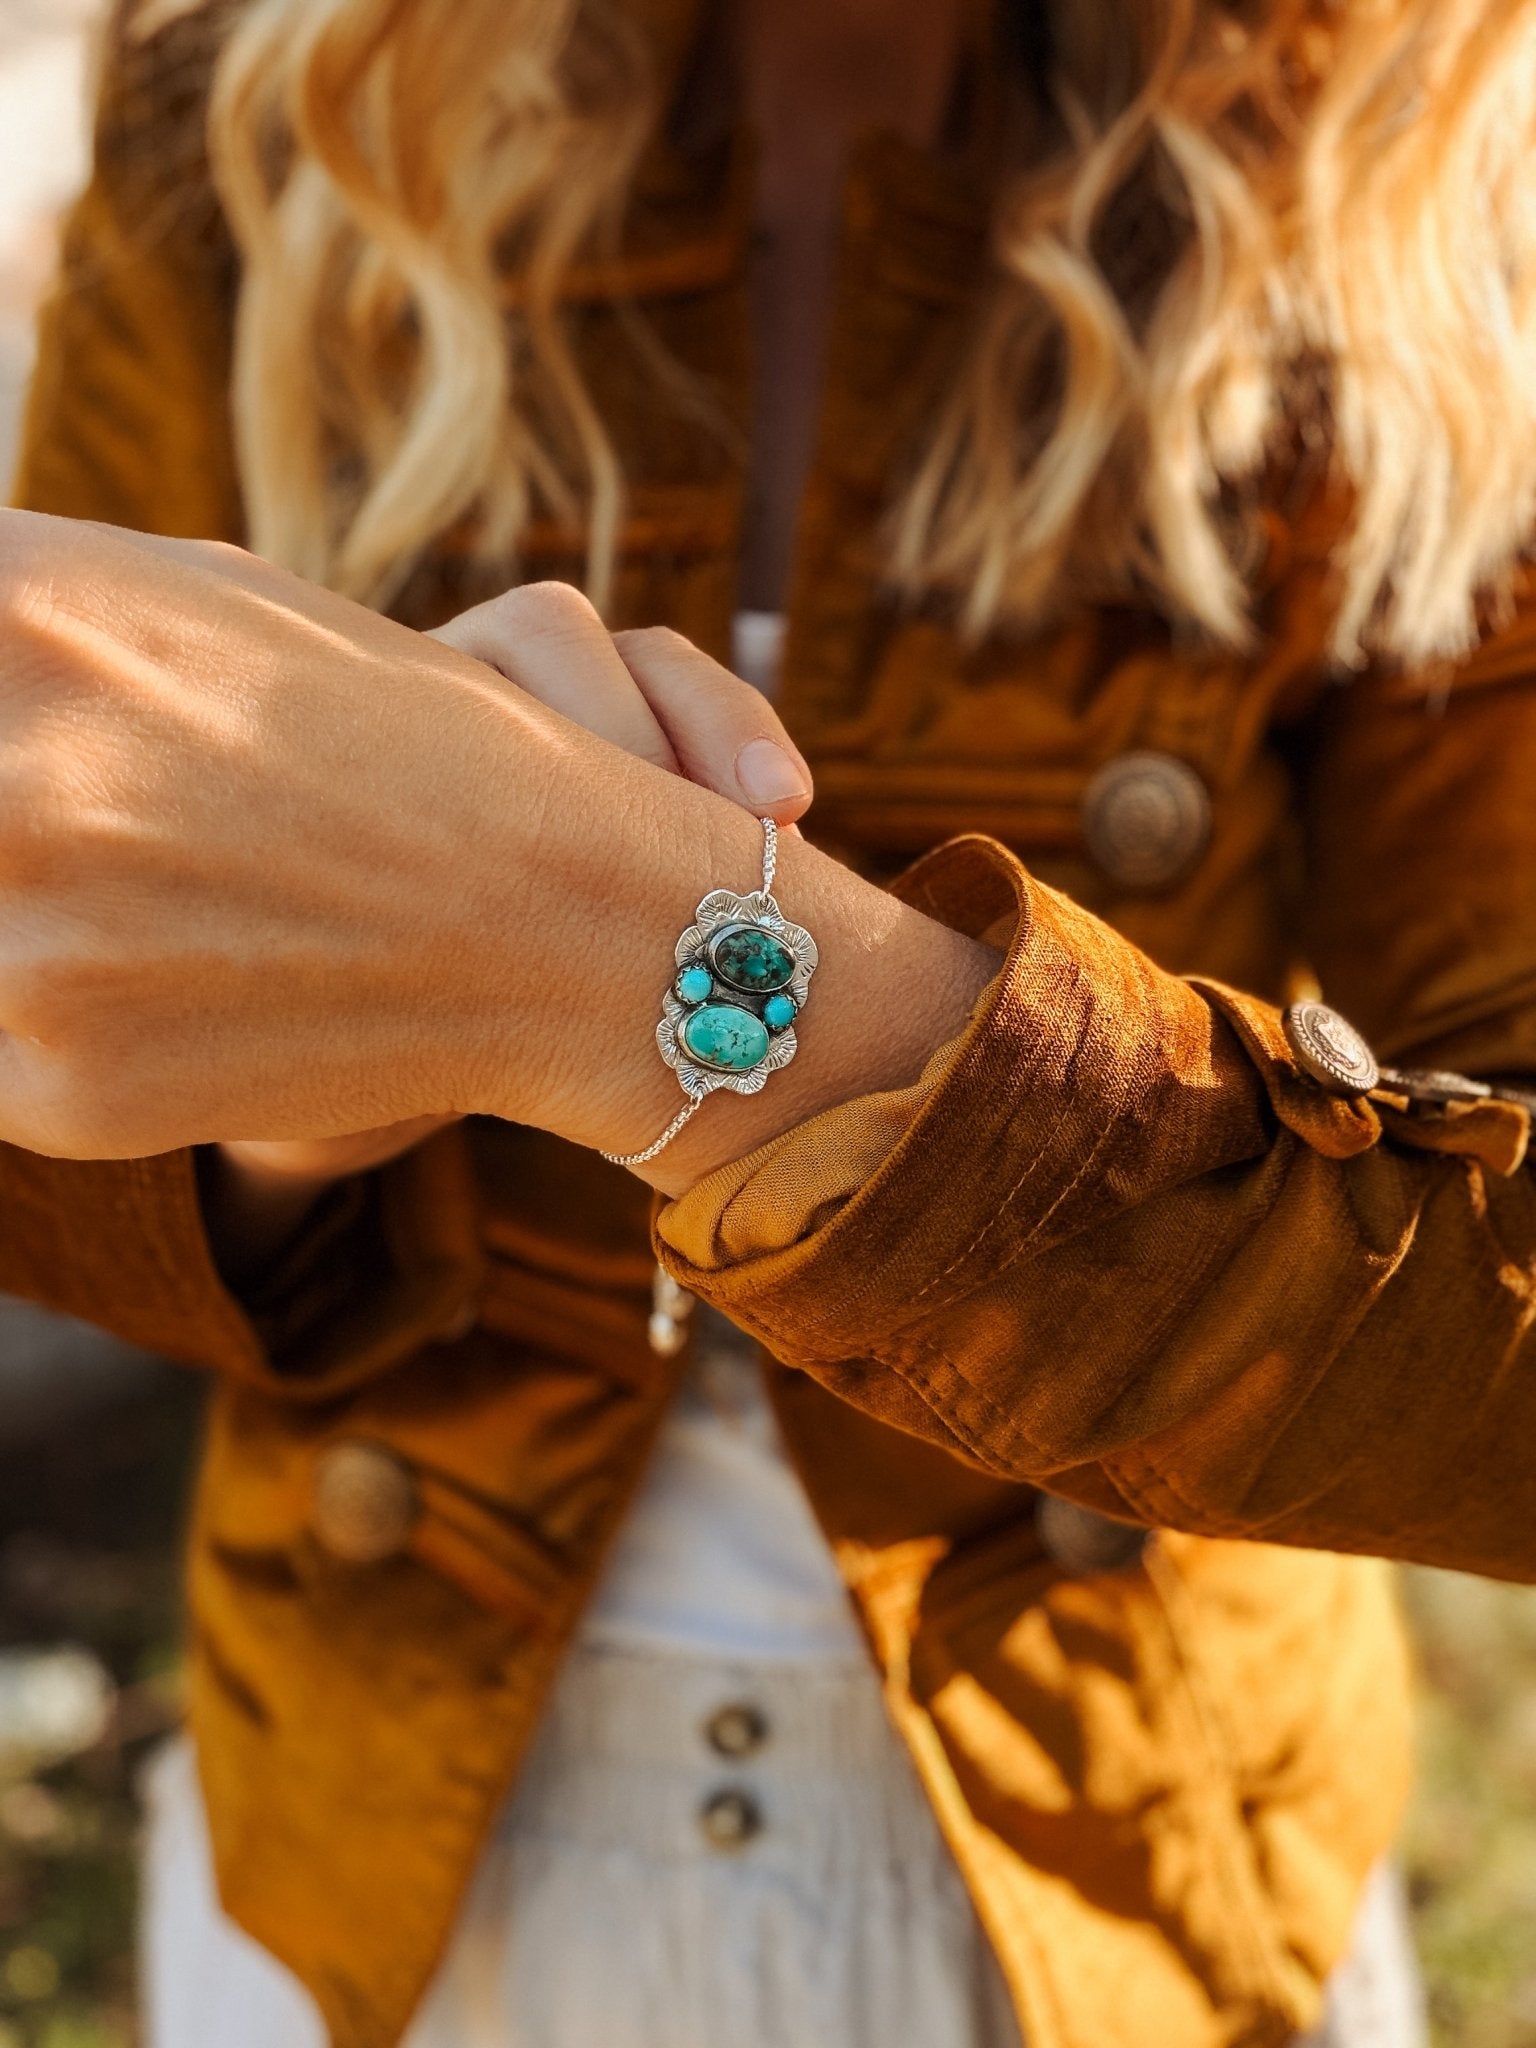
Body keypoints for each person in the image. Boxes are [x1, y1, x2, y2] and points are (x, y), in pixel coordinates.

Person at [6, 0, 1536, 2041]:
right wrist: (326, 1075)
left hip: (1119, 1859)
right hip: (384, 1842)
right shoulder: (247, 96)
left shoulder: (1420, 163)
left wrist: (629, 963)